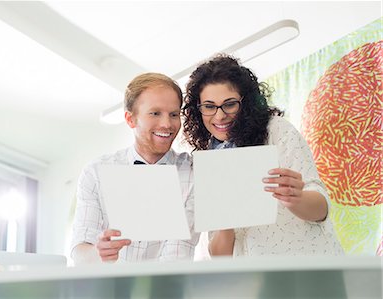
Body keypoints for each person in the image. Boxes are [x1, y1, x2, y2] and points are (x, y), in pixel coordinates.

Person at [182, 53, 343, 256]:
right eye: (209, 106)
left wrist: (296, 198)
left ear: (246, 103)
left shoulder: (276, 130)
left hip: (307, 268)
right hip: (256, 281)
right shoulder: (208, 162)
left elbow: (321, 210)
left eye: (230, 104)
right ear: (198, 110)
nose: (220, 115)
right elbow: (220, 255)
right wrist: (225, 219)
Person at [71, 73, 200, 263]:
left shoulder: (193, 173)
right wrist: (98, 252)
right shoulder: (96, 173)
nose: (167, 124)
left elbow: (177, 255)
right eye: (155, 113)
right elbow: (79, 251)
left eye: (174, 114)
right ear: (131, 119)